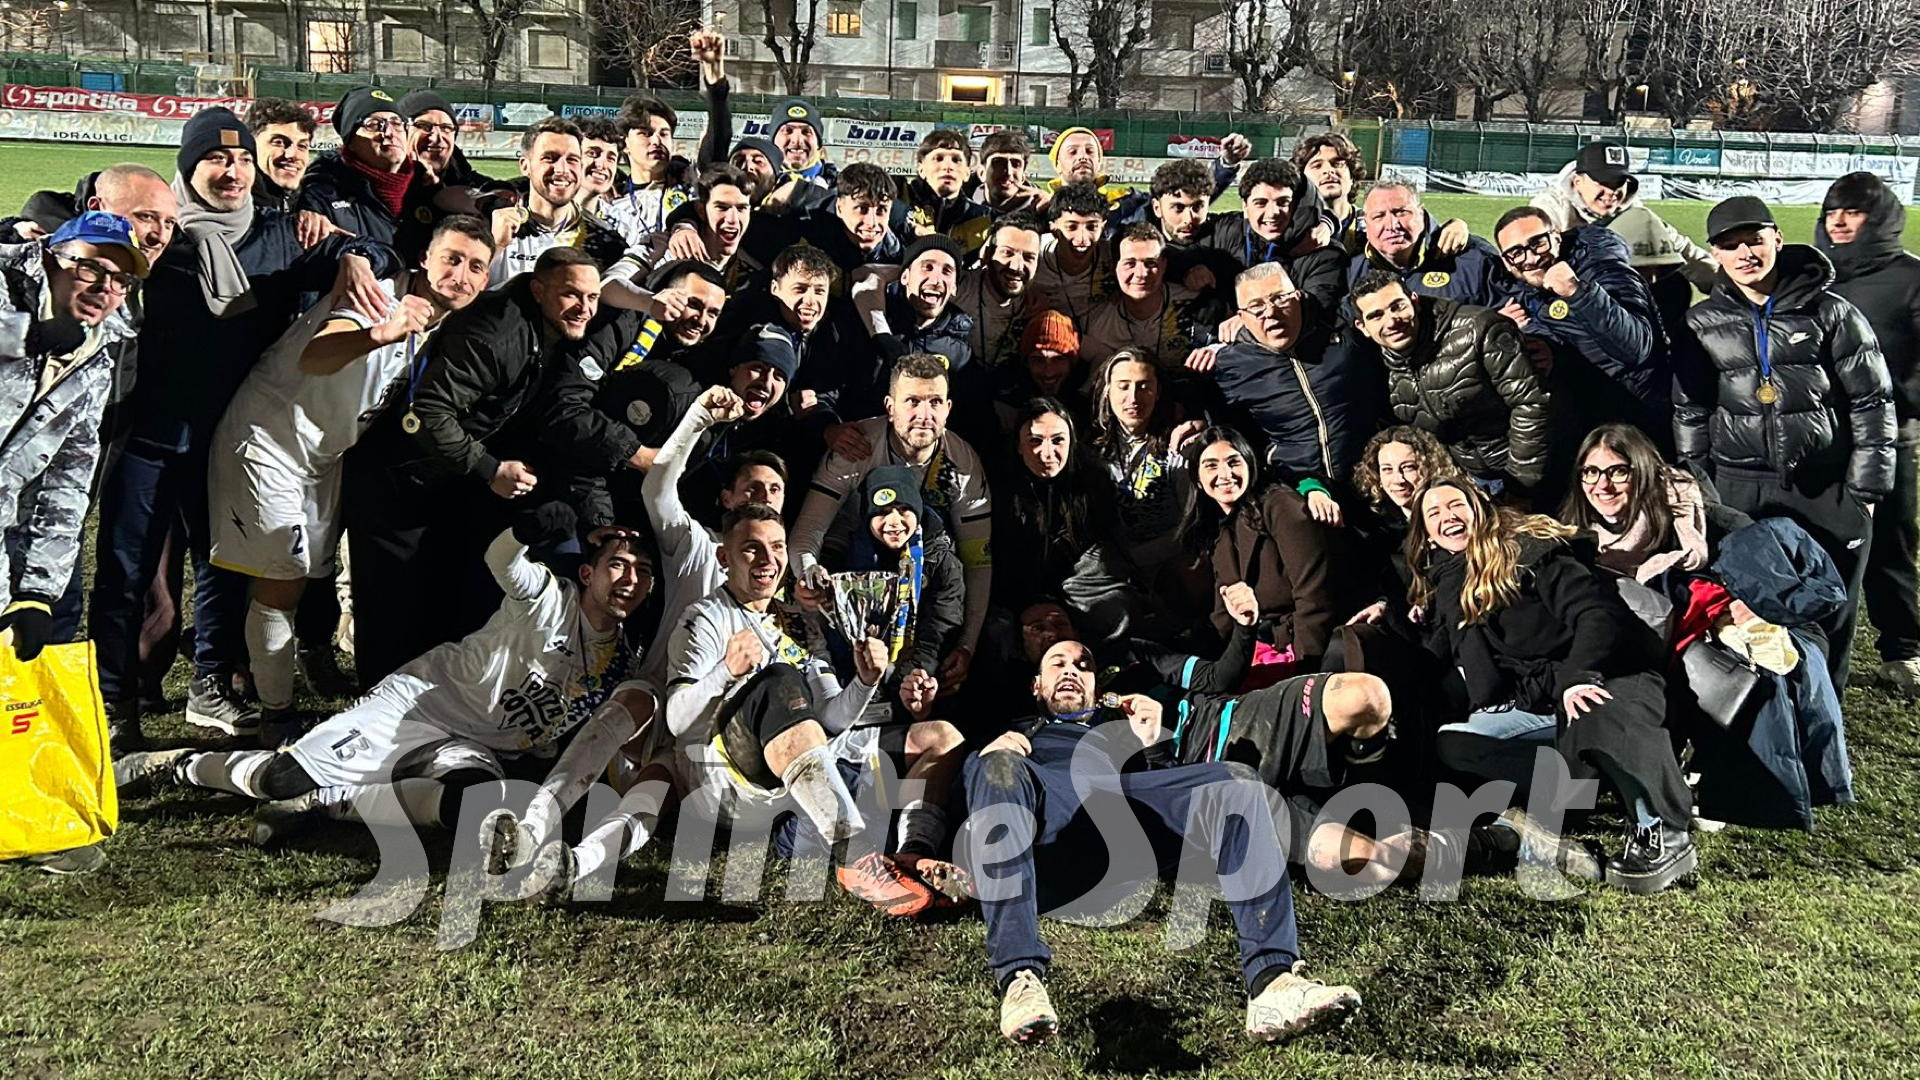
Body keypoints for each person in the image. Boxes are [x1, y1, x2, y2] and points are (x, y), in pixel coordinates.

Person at [90, 108, 400, 742]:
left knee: (221, 566)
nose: (231, 171)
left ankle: (209, 683)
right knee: (126, 569)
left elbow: (378, 247)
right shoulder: (156, 234)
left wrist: (356, 259)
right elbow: (66, 220)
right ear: (188, 165)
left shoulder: (282, 231)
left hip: (227, 435)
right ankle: (115, 701)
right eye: (215, 159)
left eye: (238, 160)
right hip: (148, 435)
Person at [115, 515, 658, 852]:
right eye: (618, 565)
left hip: (475, 746)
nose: (629, 579)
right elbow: (502, 559)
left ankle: (329, 804)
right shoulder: (548, 597)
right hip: (417, 708)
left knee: (477, 804)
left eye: (641, 572)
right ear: (589, 573)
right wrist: (530, 528)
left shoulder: (624, 658)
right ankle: (179, 765)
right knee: (282, 776)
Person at [959, 636, 1361, 1044]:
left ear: (1098, 686)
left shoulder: (1121, 729)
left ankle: (1273, 983)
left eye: (1083, 666)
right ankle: (1019, 978)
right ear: (1036, 686)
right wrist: (989, 754)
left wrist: (1154, 742)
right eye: (1057, 664)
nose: (1070, 671)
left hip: (1124, 826)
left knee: (1238, 784)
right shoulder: (1020, 733)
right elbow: (983, 794)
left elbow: (1165, 793)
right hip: (1056, 833)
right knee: (996, 766)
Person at [208, 215, 496, 745]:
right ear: (426, 260)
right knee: (282, 580)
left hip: (323, 457)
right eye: (452, 259)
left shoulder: (443, 323)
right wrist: (379, 333)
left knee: (299, 578)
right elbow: (318, 354)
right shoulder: (377, 294)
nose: (462, 274)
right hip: (272, 438)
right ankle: (278, 719)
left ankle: (272, 689)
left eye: (476, 267)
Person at [663, 502, 953, 914]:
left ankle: (910, 855)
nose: (768, 560)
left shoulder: (797, 618)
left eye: (777, 547)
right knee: (781, 681)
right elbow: (678, 722)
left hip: (801, 764)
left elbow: (832, 716)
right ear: (724, 557)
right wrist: (724, 673)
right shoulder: (705, 619)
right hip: (731, 781)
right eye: (751, 549)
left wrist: (866, 680)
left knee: (941, 738)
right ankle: (857, 861)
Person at [1408, 479, 1696, 894]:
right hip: (1536, 701)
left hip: (1604, 673)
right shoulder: (1453, 580)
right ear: (1426, 533)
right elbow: (1442, 657)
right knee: (1456, 743)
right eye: (1432, 514)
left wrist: (1579, 675)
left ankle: (1659, 830)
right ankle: (1580, 789)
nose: (1446, 517)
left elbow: (1595, 615)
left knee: (1592, 712)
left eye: (1455, 505)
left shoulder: (1531, 553)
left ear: (1479, 508)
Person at [345, 246, 605, 684]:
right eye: (571, 295)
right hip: (396, 480)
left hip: (438, 477)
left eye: (593, 298)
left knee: (432, 601)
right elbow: (427, 414)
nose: (584, 308)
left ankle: (427, 708)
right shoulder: (498, 335)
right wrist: (489, 468)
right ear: (539, 289)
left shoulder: (536, 320)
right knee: (393, 609)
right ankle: (376, 713)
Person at [1676, 195, 1894, 691]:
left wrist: (1865, 491)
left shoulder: (1833, 312)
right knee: (1748, 610)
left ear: (1777, 238)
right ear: (1717, 256)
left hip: (1826, 490)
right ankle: (1761, 718)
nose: (1745, 253)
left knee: (1832, 610)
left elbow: (1872, 402)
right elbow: (1690, 410)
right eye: (1730, 246)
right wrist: (1702, 487)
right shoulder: (1701, 323)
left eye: (1754, 239)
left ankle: (1825, 710)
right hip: (1740, 490)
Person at [792, 353, 993, 689]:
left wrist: (967, 644)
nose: (923, 415)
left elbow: (978, 561)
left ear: (948, 409)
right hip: (850, 570)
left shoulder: (964, 465)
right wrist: (809, 574)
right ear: (890, 406)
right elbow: (807, 532)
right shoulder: (855, 447)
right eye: (912, 401)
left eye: (934, 402)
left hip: (926, 584)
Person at [0, 212, 147, 667]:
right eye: (91, 268)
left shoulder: (97, 353)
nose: (105, 288)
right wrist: (27, 337)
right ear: (50, 258)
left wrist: (37, 590)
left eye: (120, 279)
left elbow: (68, 476)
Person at [1815, 171, 1920, 694]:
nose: (1838, 221)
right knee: (1820, 540)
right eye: (1833, 210)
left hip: (1890, 437)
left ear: (1877, 219)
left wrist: (1894, 401)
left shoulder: (1910, 277)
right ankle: (1807, 639)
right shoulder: (1814, 275)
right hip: (1822, 436)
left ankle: (1902, 649)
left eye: (1852, 212)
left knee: (1891, 545)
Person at [1351, 271, 1550, 498]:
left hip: (1537, 470)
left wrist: (1521, 486)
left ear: (1414, 301)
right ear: (1362, 327)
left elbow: (1530, 403)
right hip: (1473, 482)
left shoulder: (1478, 328)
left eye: (1398, 306)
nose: (1391, 321)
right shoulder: (1377, 368)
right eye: (1376, 315)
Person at [1492, 205, 1667, 459]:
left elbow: (1637, 349)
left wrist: (1577, 292)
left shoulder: (1603, 268)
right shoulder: (1528, 290)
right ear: (1507, 263)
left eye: (1537, 243)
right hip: (1588, 425)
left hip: (1640, 424)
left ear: (1556, 237)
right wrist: (1550, 354)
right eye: (1516, 253)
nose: (1530, 258)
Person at [1180, 426, 1340, 673]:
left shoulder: (1280, 506)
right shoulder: (1217, 529)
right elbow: (1223, 615)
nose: (1225, 474)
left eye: (1234, 462)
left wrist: (1305, 673)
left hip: (1303, 645)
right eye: (1211, 466)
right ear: (1198, 481)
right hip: (1256, 645)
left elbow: (1314, 597)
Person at [1207, 262, 1370, 489]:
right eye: (1256, 306)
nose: (1271, 312)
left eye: (1280, 298)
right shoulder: (1231, 366)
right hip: (1296, 489)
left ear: (1299, 298)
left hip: (1369, 482)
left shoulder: (1342, 331)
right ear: (1241, 318)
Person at [1530, 141, 1716, 291]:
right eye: (1603, 182)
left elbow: (1680, 248)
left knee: (1672, 285)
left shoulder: (1633, 210)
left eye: (1618, 182)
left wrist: (1723, 283)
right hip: (1566, 293)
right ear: (1578, 182)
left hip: (1615, 295)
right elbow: (1531, 261)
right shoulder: (1550, 208)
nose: (1612, 191)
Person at [297, 86, 438, 261]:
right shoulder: (322, 195)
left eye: (396, 123)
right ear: (350, 143)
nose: (389, 133)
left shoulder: (429, 186)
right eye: (374, 125)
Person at [488, 118, 626, 285]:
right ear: (525, 166)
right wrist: (496, 245)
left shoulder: (604, 240)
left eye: (572, 160)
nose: (562, 169)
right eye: (550, 158)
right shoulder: (491, 224)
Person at [1078, 223, 1223, 371]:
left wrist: (1216, 349)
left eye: (1150, 263)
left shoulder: (1197, 302)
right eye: (1130, 263)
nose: (1141, 273)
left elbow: (1232, 334)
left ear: (1164, 265)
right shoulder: (1098, 325)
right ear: (1113, 266)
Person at [1347, 181, 1504, 307]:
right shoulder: (1351, 270)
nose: (1392, 225)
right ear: (1365, 223)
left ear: (1421, 214)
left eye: (1401, 212)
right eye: (1378, 216)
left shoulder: (1473, 258)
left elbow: (1521, 310)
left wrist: (1496, 322)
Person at [604, 94, 690, 247]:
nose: (656, 141)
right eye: (645, 133)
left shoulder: (689, 185)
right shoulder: (612, 202)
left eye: (664, 134)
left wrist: (717, 93)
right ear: (625, 144)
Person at [1028, 182, 1114, 328]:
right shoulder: (1031, 254)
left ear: (1103, 226)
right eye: (1071, 227)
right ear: (1053, 228)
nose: (1082, 238)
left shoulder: (1114, 256)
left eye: (1092, 227)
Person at [897, 129, 991, 246]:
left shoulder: (982, 218)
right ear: (921, 170)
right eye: (939, 158)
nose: (948, 166)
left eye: (956, 160)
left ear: (967, 173)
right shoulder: (900, 197)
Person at [245, 98, 315, 213]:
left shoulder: (308, 202)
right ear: (250, 144)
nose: (292, 154)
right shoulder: (234, 208)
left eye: (302, 146)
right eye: (279, 142)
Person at [1043, 126, 1129, 206]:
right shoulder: (1042, 209)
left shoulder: (1124, 206)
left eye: (1089, 151)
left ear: (1099, 162)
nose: (1083, 157)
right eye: (1073, 152)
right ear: (1058, 164)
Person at [971, 130, 1048, 217]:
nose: (1008, 172)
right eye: (998, 163)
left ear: (1023, 177)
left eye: (1016, 164)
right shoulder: (963, 211)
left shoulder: (1043, 213)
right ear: (982, 173)